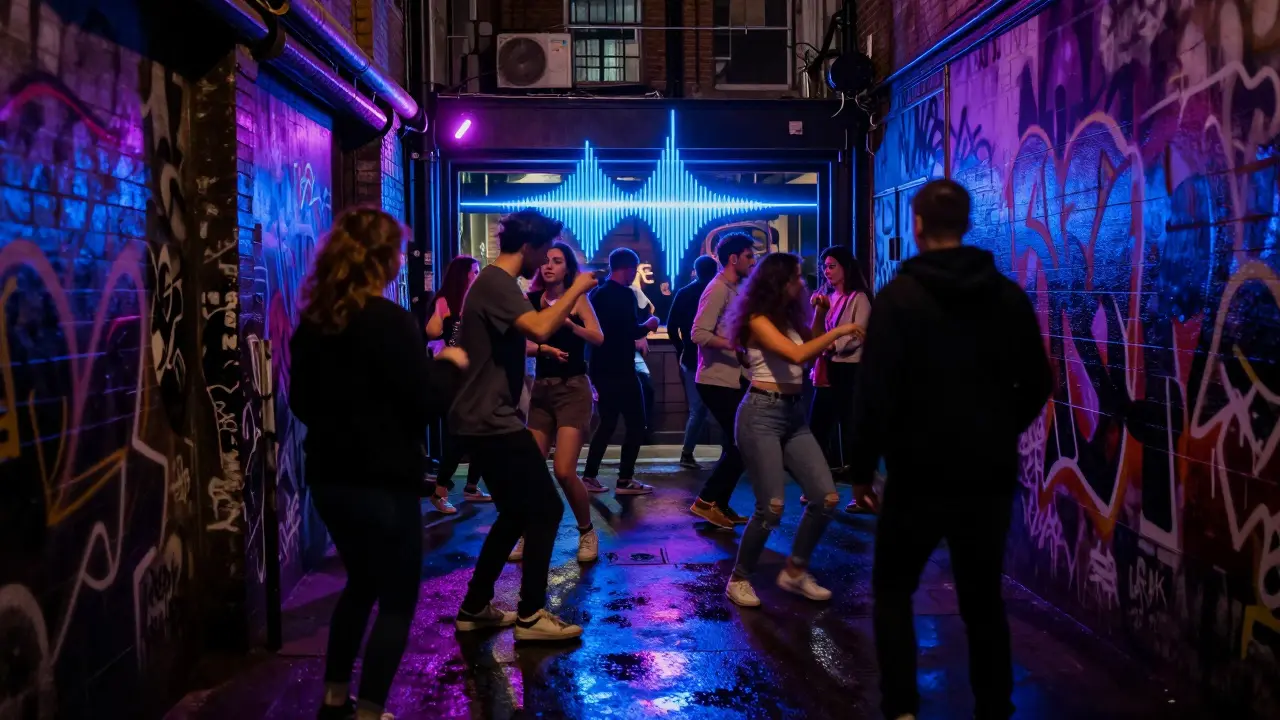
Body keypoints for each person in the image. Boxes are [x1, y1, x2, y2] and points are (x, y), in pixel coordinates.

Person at [851, 179, 1052, 720]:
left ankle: (902, 709)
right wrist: (996, 428)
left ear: (917, 225)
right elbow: (1037, 383)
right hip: (986, 471)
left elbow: (874, 391)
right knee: (982, 597)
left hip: (917, 471)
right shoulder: (1006, 296)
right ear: (966, 224)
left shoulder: (899, 299)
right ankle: (993, 708)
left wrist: (862, 469)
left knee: (893, 590)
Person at [290, 208, 469, 720]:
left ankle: (333, 701)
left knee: (361, 583)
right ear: (383, 260)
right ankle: (369, 712)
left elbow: (301, 401)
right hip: (385, 483)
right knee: (395, 598)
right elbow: (423, 403)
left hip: (330, 478)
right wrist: (447, 367)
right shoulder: (391, 322)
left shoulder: (316, 323)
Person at [451, 209, 599, 642]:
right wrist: (575, 289)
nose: (546, 261)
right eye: (544, 251)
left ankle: (475, 605)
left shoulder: (497, 285)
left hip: (482, 418)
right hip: (489, 419)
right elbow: (538, 324)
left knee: (516, 511)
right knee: (547, 508)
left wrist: (537, 353)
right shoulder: (498, 282)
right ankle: (532, 614)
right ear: (530, 247)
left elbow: (506, 340)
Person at [721, 252, 862, 608]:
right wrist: (840, 328)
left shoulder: (787, 316)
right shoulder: (757, 319)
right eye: (797, 277)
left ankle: (796, 571)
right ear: (779, 282)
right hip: (760, 414)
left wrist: (818, 313)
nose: (803, 282)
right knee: (771, 507)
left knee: (826, 497)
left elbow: (812, 350)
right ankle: (739, 578)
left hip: (793, 414)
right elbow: (797, 356)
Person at [512, 241, 605, 564]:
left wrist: (568, 324)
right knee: (530, 469)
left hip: (573, 389)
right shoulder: (531, 301)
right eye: (546, 261)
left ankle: (587, 532)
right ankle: (527, 534)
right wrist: (544, 349)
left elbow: (598, 337)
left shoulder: (577, 299)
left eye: (557, 261)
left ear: (568, 268)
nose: (549, 266)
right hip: (542, 389)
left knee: (564, 470)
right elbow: (519, 344)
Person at [688, 233, 756, 529]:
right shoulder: (716, 289)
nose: (753, 262)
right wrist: (734, 345)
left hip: (732, 377)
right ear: (733, 258)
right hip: (715, 379)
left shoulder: (736, 288)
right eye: (749, 256)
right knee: (742, 443)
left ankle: (719, 504)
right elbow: (698, 333)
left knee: (739, 443)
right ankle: (705, 501)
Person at [581, 248, 660, 495]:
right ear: (627, 269)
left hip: (600, 368)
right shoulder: (626, 296)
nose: (634, 275)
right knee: (637, 424)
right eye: (634, 271)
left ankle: (589, 476)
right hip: (623, 369)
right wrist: (649, 325)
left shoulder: (597, 294)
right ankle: (625, 480)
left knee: (607, 423)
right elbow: (630, 331)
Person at [806, 245, 873, 512]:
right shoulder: (827, 297)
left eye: (832, 265)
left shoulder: (860, 298)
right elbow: (817, 332)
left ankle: (861, 494)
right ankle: (818, 488)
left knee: (852, 432)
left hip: (850, 370)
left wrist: (832, 346)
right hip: (827, 368)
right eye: (825, 266)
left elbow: (858, 334)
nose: (827, 270)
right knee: (817, 428)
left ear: (846, 268)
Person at [425, 255, 490, 511]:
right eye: (473, 272)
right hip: (451, 380)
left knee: (480, 432)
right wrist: (442, 311)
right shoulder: (445, 301)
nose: (477, 276)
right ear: (461, 275)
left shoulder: (478, 302)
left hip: (475, 376)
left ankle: (471, 486)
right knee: (459, 436)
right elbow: (432, 336)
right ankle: (439, 490)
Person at [666, 256, 718, 469]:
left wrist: (682, 348)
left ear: (695, 270)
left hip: (691, 357)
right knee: (725, 407)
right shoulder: (719, 292)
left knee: (697, 409)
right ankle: (729, 452)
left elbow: (671, 327)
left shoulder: (685, 293)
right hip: (718, 356)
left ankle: (687, 453)